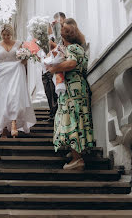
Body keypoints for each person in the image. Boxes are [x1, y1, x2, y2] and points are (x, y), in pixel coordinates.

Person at [47, 18, 94, 170]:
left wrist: (54, 68)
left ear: (64, 36)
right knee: (78, 119)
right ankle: (75, 151)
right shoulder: (79, 47)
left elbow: (72, 63)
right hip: (79, 87)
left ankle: (77, 159)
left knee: (72, 120)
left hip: (73, 90)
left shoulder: (72, 49)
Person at [0, 24, 37, 138]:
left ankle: (13, 124)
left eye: (8, 35)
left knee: (14, 96)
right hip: (2, 73)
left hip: (17, 71)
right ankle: (3, 127)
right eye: (4, 35)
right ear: (1, 34)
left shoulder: (19, 44)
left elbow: (24, 61)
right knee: (2, 99)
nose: (6, 37)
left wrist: (25, 58)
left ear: (11, 34)